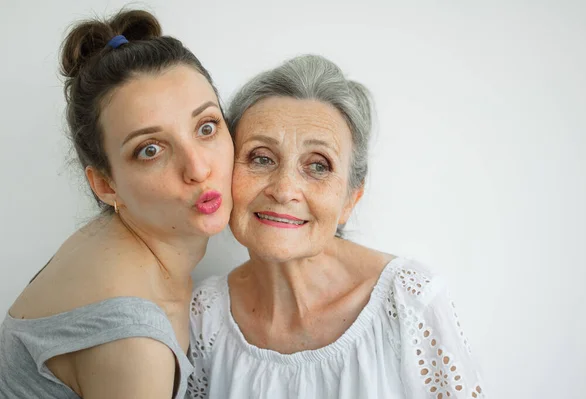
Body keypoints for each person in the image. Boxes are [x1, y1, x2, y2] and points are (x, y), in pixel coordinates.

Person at [187, 55, 485, 399]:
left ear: (350, 199)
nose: (284, 190)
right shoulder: (203, 316)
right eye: (261, 158)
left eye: (317, 166)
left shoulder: (409, 301)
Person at [0, 9, 233, 399]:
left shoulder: (113, 241)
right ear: (106, 185)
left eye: (206, 127)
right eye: (151, 149)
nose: (197, 168)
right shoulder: (133, 342)